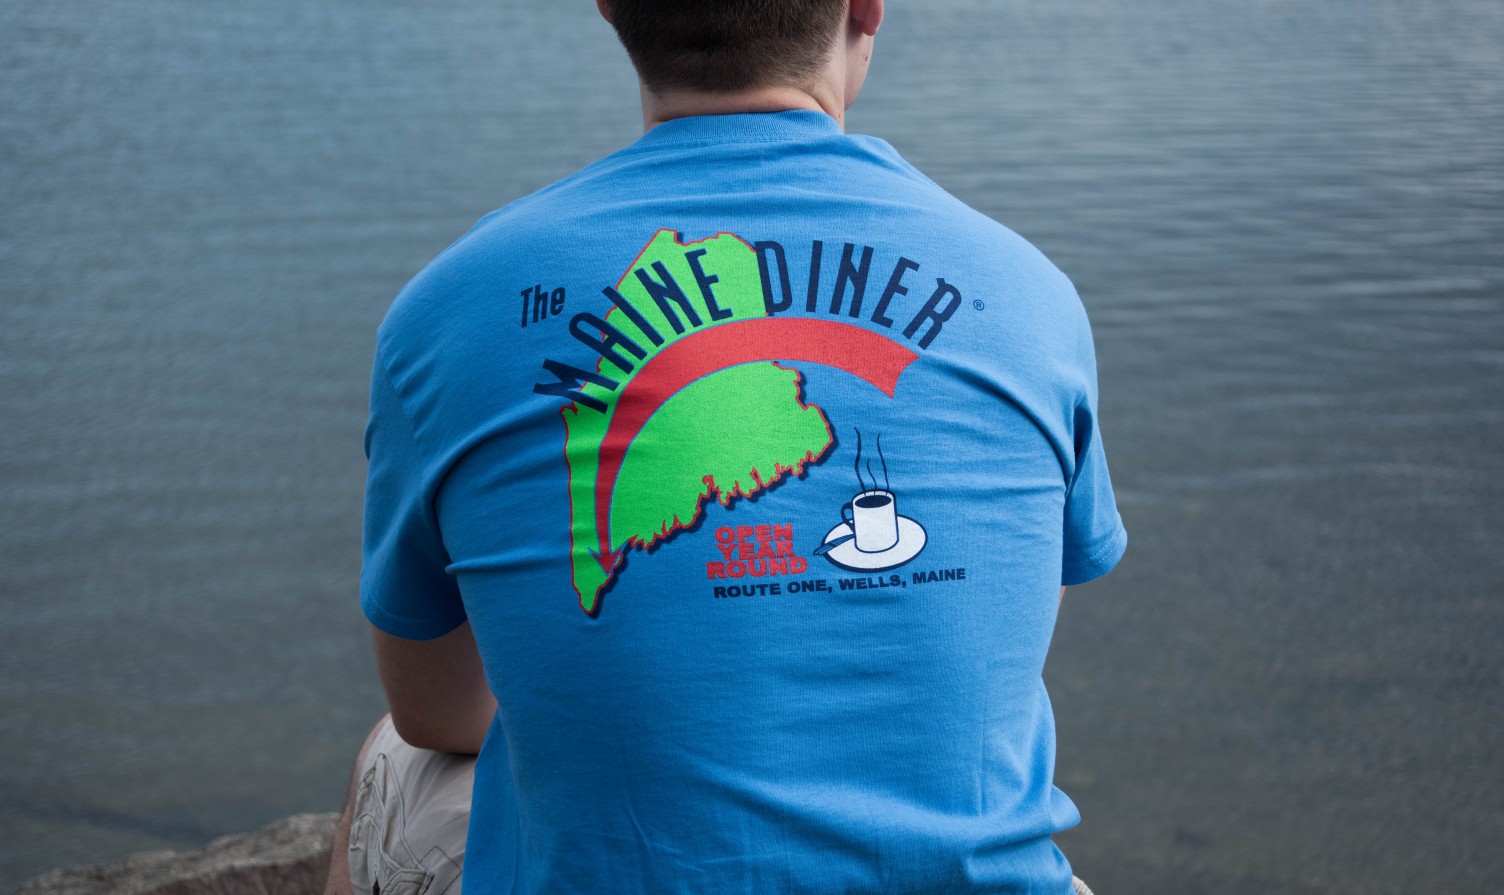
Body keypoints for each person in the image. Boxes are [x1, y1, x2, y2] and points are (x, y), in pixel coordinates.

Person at [326, 0, 1126, 892]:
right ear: (866, 8)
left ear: (609, 7)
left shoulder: (446, 313)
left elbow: (434, 711)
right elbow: (999, 651)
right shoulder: (1030, 297)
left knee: (391, 753)